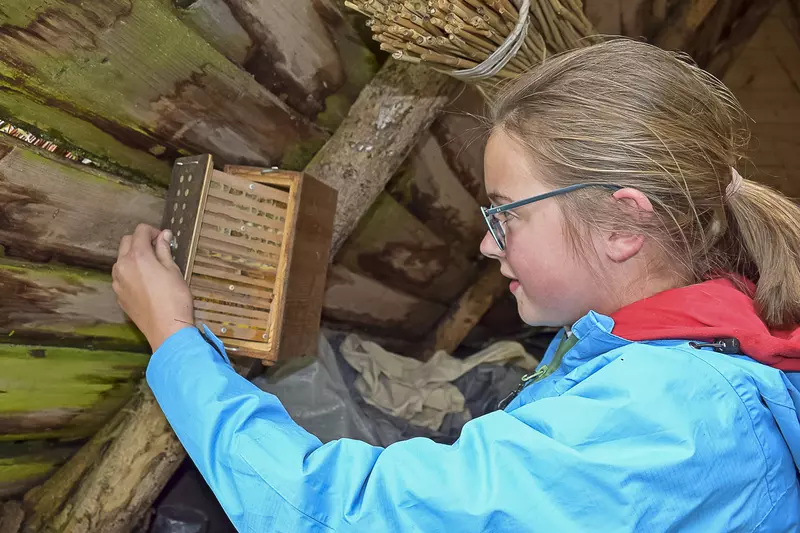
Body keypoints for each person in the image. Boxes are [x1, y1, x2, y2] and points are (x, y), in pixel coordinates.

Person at [113, 39, 800, 532]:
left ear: (622, 225)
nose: (484, 241)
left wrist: (177, 343)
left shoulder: (668, 419)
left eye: (508, 212)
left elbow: (343, 512)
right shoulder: (696, 343)